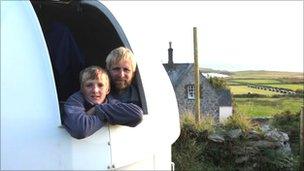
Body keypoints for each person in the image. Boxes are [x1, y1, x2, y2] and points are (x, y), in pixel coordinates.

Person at [63, 66, 143, 139]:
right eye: (89, 85)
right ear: (82, 89)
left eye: (100, 85)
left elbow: (137, 114)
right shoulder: (74, 101)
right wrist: (110, 115)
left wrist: (97, 109)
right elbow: (80, 130)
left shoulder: (111, 100)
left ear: (108, 90)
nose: (95, 90)